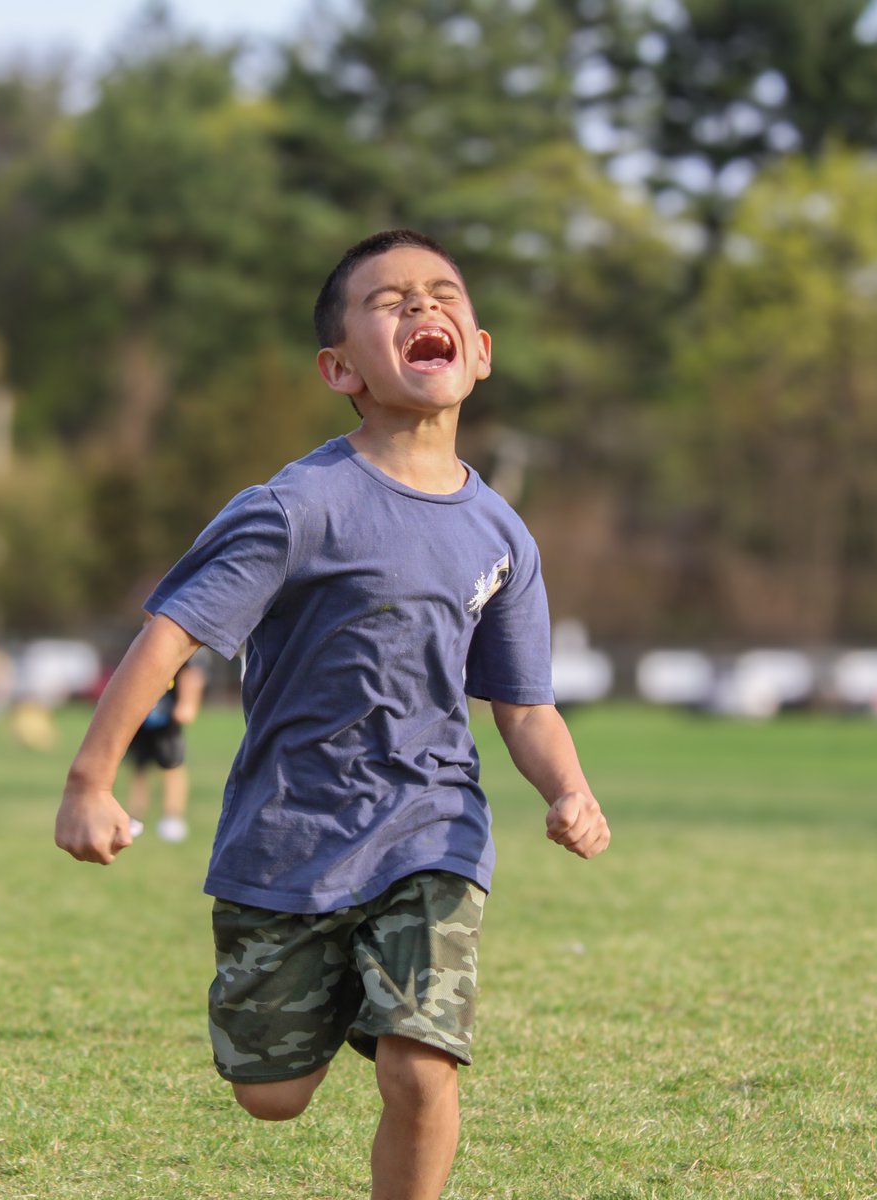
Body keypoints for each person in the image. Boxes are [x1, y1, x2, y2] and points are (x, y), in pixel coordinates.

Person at [55, 229, 611, 1200]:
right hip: (289, 832)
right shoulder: (298, 507)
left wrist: (570, 789)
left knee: (421, 1066)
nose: (423, 309)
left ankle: (394, 1003)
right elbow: (171, 635)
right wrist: (89, 782)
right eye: (389, 302)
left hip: (431, 826)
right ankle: (353, 985)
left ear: (479, 352)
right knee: (272, 1093)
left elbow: (523, 704)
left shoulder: (501, 534)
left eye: (443, 297)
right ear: (339, 367)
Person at [124, 648, 208, 842]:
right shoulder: (143, 646)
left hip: (167, 722)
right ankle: (135, 816)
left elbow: (192, 676)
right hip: (142, 720)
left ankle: (172, 817)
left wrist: (188, 703)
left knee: (172, 767)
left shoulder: (178, 649)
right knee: (139, 768)